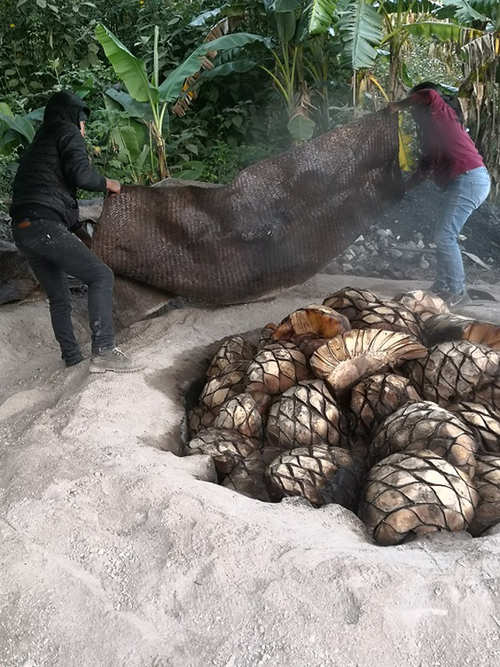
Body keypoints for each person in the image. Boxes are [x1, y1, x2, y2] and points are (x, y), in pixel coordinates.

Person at [10, 90, 140, 372]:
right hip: (43, 225)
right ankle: (104, 351)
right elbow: (80, 175)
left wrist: (75, 229)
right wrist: (110, 183)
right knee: (101, 275)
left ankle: (71, 357)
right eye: (83, 122)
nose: (84, 129)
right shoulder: (67, 131)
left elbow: (47, 191)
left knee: (59, 297)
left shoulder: (40, 142)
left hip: (23, 229)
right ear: (75, 118)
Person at [387, 82, 491, 308]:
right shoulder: (429, 137)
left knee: (445, 236)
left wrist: (399, 105)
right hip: (465, 181)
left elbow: (430, 94)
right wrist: (398, 191)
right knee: (444, 235)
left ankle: (456, 292)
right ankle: (442, 286)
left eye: (414, 106)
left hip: (469, 178)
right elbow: (423, 173)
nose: (413, 111)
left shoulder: (442, 115)